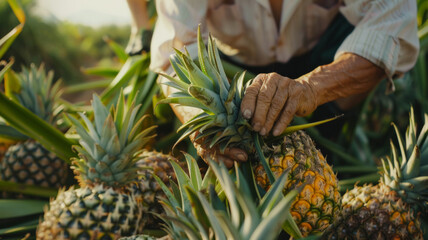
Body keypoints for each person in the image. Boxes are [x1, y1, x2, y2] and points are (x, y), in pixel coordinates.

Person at [149, 0, 419, 166]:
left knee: (330, 146)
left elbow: (392, 23)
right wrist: (205, 122)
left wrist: (312, 88)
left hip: (326, 59)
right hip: (237, 66)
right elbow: (173, 54)